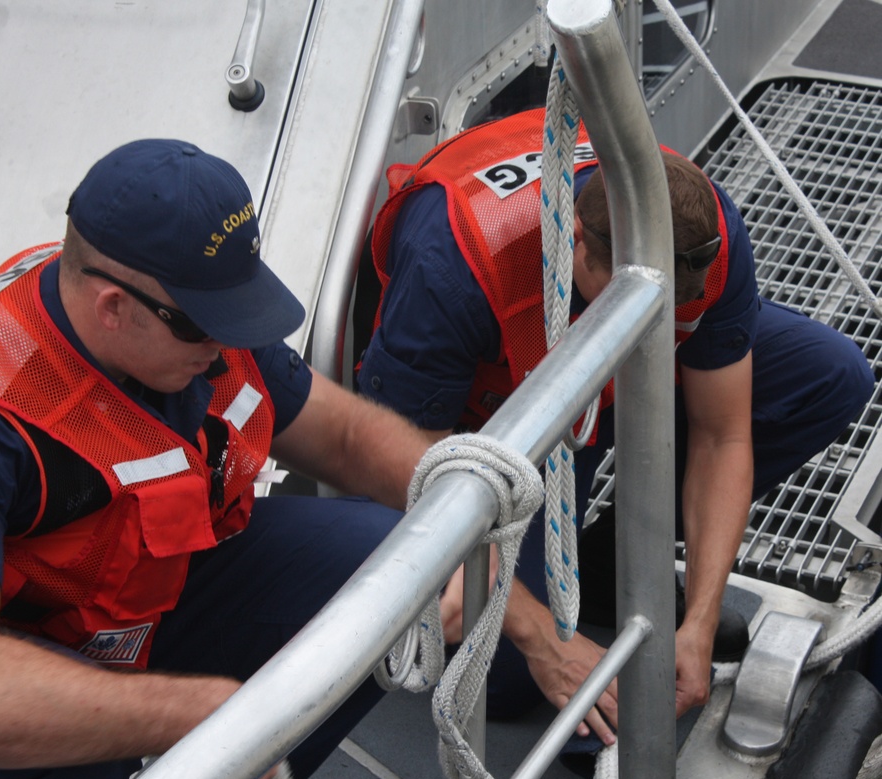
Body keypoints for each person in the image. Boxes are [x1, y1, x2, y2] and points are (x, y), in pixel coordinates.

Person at [0, 139, 437, 779]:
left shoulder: (189, 317)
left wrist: (489, 573)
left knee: (379, 566)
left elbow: (349, 440)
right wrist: (201, 713)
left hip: (94, 620)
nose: (227, 344)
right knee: (64, 746)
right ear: (112, 306)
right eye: (207, 324)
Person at [357, 107, 875, 741]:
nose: (660, 334)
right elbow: (400, 456)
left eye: (675, 314)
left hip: (583, 396)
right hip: (489, 428)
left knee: (830, 374)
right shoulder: (455, 266)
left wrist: (701, 622)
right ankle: (557, 570)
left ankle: (607, 558)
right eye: (635, 310)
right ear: (576, 239)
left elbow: (723, 434)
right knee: (508, 678)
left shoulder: (704, 225)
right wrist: (542, 639)